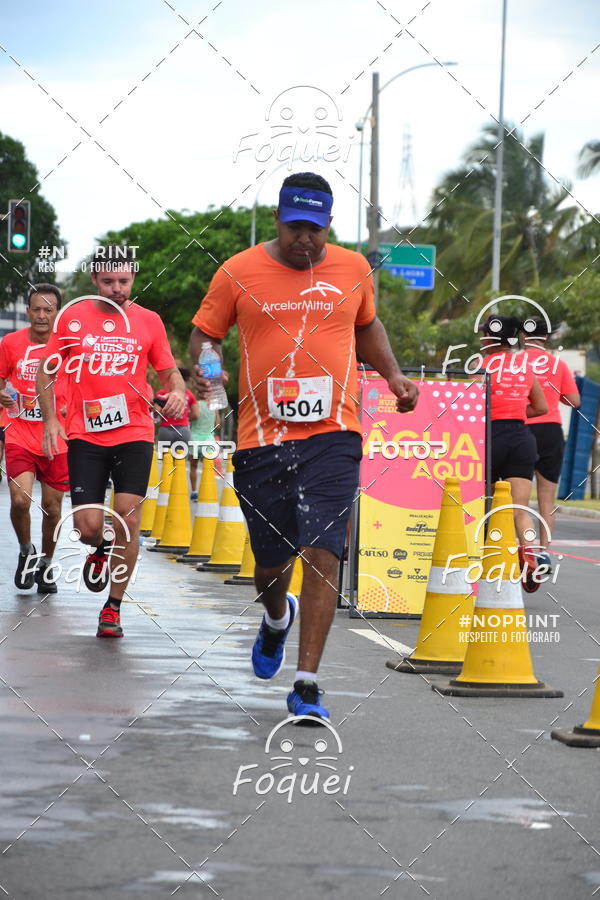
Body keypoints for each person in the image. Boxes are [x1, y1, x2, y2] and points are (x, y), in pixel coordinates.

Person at [190, 171, 418, 722]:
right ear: (277, 219)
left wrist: (393, 376)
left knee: (323, 550)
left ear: (328, 225)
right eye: (295, 227)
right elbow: (205, 334)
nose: (305, 240)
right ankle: (275, 617)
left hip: (334, 433)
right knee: (272, 566)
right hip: (261, 436)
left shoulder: (353, 268)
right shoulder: (237, 272)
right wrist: (208, 371)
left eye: (314, 230)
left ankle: (308, 682)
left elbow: (366, 326)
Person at [37, 246, 186, 638]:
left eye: (123, 281)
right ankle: (99, 548)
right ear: (94, 280)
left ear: (133, 278)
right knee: (88, 526)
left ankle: (113, 608)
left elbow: (171, 373)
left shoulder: (149, 321)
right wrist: (52, 419)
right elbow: (46, 371)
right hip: (85, 435)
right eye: (108, 282)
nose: (117, 289)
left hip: (135, 432)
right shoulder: (72, 318)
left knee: (129, 517)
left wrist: (175, 391)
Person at [0, 284, 69, 593]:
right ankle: (26, 550)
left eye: (48, 310)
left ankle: (46, 563)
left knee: (53, 510)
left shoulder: (69, 346)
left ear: (58, 314)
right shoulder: (10, 343)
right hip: (19, 433)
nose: (42, 316)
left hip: (58, 437)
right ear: (28, 311)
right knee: (19, 500)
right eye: (36, 309)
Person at [481, 315, 548, 591]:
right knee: (519, 508)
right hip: (522, 438)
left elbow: (472, 405)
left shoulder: (482, 366)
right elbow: (541, 407)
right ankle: (529, 552)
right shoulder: (525, 367)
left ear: (489, 338)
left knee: (484, 503)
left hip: (490, 437)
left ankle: (484, 563)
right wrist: (517, 412)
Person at [524, 319, 580, 570]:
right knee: (547, 497)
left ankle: (524, 549)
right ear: (547, 338)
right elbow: (574, 401)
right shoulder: (558, 364)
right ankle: (543, 552)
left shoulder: (515, 362)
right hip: (550, 430)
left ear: (523, 335)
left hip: (520, 427)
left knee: (518, 498)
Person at [154, 365, 199, 447]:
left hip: (166, 429)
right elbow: (196, 414)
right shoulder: (189, 394)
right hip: (183, 430)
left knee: (166, 458)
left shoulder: (162, 393)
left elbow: (157, 411)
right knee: (180, 459)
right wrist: (183, 416)